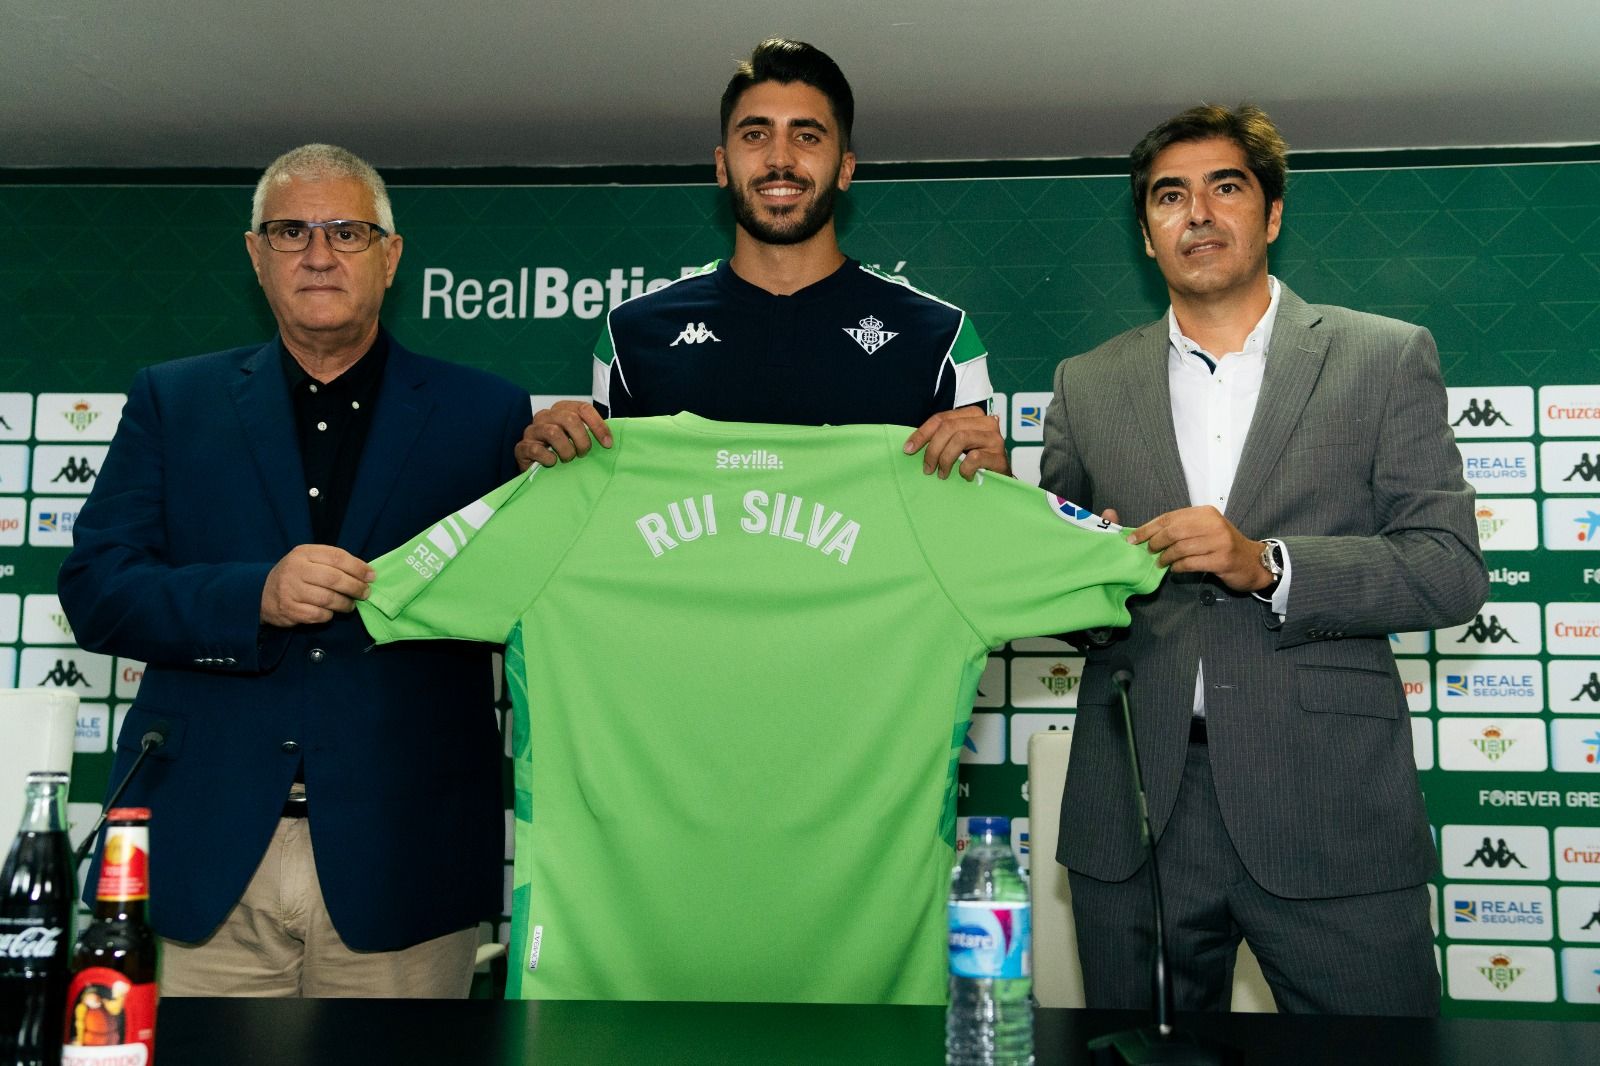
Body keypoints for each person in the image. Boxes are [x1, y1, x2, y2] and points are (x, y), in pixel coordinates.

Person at [1040, 104, 1487, 1015]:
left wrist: (1270, 566)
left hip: (1329, 803)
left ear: (1273, 214)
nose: (1197, 213)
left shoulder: (1385, 357)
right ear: (1146, 233)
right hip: (1135, 814)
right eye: (1171, 196)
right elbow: (1066, 604)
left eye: (1226, 187)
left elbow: (1447, 567)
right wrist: (1089, 577)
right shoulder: (1084, 385)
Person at [58, 144, 531, 998]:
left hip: (405, 861)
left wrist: (566, 467)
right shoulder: (173, 399)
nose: (318, 253)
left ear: (390, 256)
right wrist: (255, 596)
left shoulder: (486, 412)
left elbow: (530, 598)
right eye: (290, 231)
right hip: (205, 857)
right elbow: (97, 588)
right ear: (255, 254)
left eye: (347, 231)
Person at [515, 37, 1009, 480]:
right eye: (755, 134)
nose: (780, 159)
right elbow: (603, 512)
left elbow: (978, 532)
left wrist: (997, 482)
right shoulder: (632, 333)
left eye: (807, 136)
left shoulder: (941, 336)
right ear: (721, 165)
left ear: (845, 168)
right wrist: (550, 473)